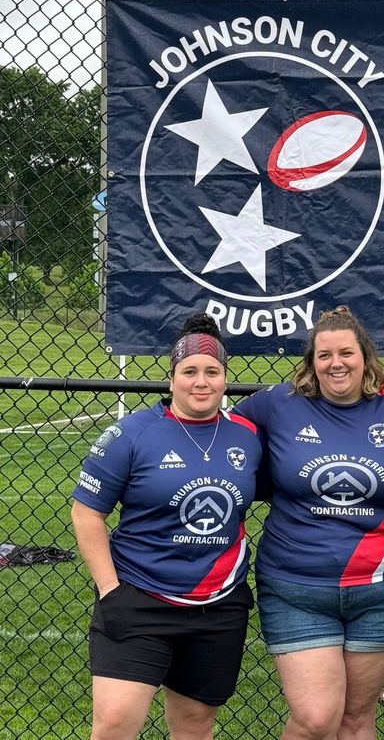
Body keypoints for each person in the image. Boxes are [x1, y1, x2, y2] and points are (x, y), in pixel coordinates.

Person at [234, 305, 384, 740]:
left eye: (345, 352)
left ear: (365, 355)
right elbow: (225, 434)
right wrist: (268, 482)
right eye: (324, 355)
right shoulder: (279, 403)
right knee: (316, 718)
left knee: (357, 718)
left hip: (380, 588)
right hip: (296, 586)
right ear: (311, 362)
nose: (336, 363)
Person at [71, 313, 262, 740]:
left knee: (194, 725)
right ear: (171, 377)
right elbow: (87, 512)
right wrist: (109, 590)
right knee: (116, 724)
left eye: (212, 372)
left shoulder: (247, 436)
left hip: (218, 603)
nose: (201, 381)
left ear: (225, 378)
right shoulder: (132, 433)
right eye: (189, 371)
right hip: (139, 597)